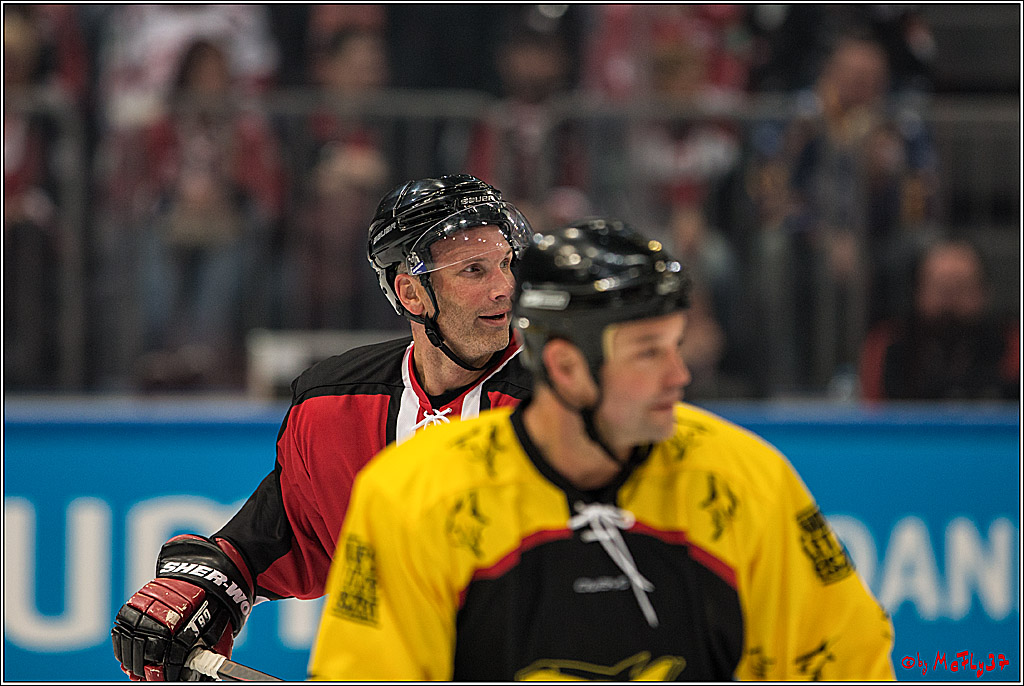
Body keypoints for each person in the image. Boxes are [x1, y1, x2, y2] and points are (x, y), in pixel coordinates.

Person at [309, 218, 896, 681]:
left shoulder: (746, 480)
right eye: (647, 353)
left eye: (676, 345)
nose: (679, 376)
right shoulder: (414, 496)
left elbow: (844, 659)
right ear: (565, 367)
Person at [110, 175, 535, 681]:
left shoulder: (555, 404)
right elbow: (278, 536)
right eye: (473, 270)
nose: (503, 287)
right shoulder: (332, 403)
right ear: (412, 294)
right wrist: (206, 590)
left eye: (506, 263)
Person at [859, 238, 1019, 401]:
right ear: (918, 291)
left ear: (983, 292)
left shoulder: (1012, 342)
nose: (950, 302)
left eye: (961, 288)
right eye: (941, 288)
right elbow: (872, 411)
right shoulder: (888, 342)